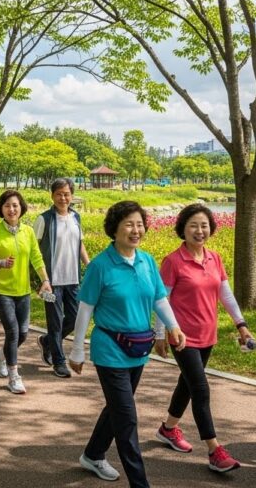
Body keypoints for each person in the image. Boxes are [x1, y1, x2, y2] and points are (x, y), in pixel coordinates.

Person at [68, 200, 186, 488]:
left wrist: (173, 326)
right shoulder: (100, 265)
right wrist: (77, 348)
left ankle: (93, 454)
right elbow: (85, 308)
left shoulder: (146, 261)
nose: (136, 230)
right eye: (129, 224)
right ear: (115, 229)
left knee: (117, 408)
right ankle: (140, 483)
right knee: (127, 417)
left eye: (139, 224)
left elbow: (159, 298)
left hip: (138, 349)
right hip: (109, 349)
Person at [152, 204, 248, 472]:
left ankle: (168, 429)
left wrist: (241, 324)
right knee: (201, 389)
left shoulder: (214, 258)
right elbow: (162, 300)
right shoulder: (173, 261)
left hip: (208, 335)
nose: (199, 230)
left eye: (204, 225)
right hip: (182, 336)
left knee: (187, 384)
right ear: (182, 228)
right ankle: (214, 451)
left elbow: (226, 295)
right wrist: (161, 333)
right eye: (193, 225)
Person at [0, 189, 51, 394]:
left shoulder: (27, 232)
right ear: (0, 209)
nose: (11, 209)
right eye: (7, 206)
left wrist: (45, 280)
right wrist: (0, 263)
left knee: (23, 333)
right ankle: (14, 376)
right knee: (12, 331)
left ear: (21, 208)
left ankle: (1, 356)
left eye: (15, 205)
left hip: (23, 291)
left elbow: (37, 258)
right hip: (1, 291)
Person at [34, 178, 91, 379]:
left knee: (75, 319)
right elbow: (34, 251)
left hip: (73, 280)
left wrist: (89, 266)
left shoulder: (76, 217)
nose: (63, 198)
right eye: (59, 194)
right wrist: (41, 280)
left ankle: (47, 342)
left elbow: (80, 244)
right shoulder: (44, 220)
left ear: (72, 196)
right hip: (51, 282)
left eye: (66, 194)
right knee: (56, 321)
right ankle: (59, 362)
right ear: (52, 195)